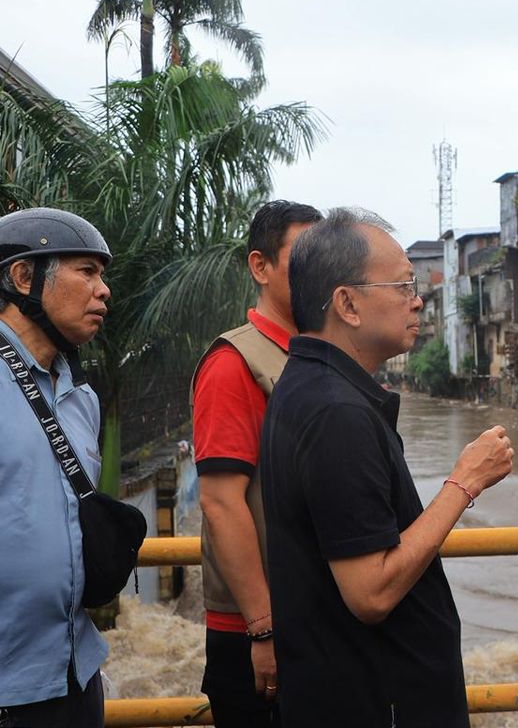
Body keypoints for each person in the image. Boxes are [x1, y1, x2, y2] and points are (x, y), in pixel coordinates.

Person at [260, 207, 514, 727]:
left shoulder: (307, 384)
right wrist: (465, 482)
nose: (417, 299)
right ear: (348, 304)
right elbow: (371, 593)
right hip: (375, 702)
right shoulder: (336, 414)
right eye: (402, 285)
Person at [193, 200, 323, 726]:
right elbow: (222, 503)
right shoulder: (235, 364)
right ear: (260, 267)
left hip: (315, 620)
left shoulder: (311, 357)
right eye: (304, 258)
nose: (320, 271)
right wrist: (263, 629)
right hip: (257, 633)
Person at [0, 207, 113, 728]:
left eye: (102, 275)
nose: (103, 290)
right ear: (24, 276)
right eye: (86, 272)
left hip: (77, 672)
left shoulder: (80, 397)